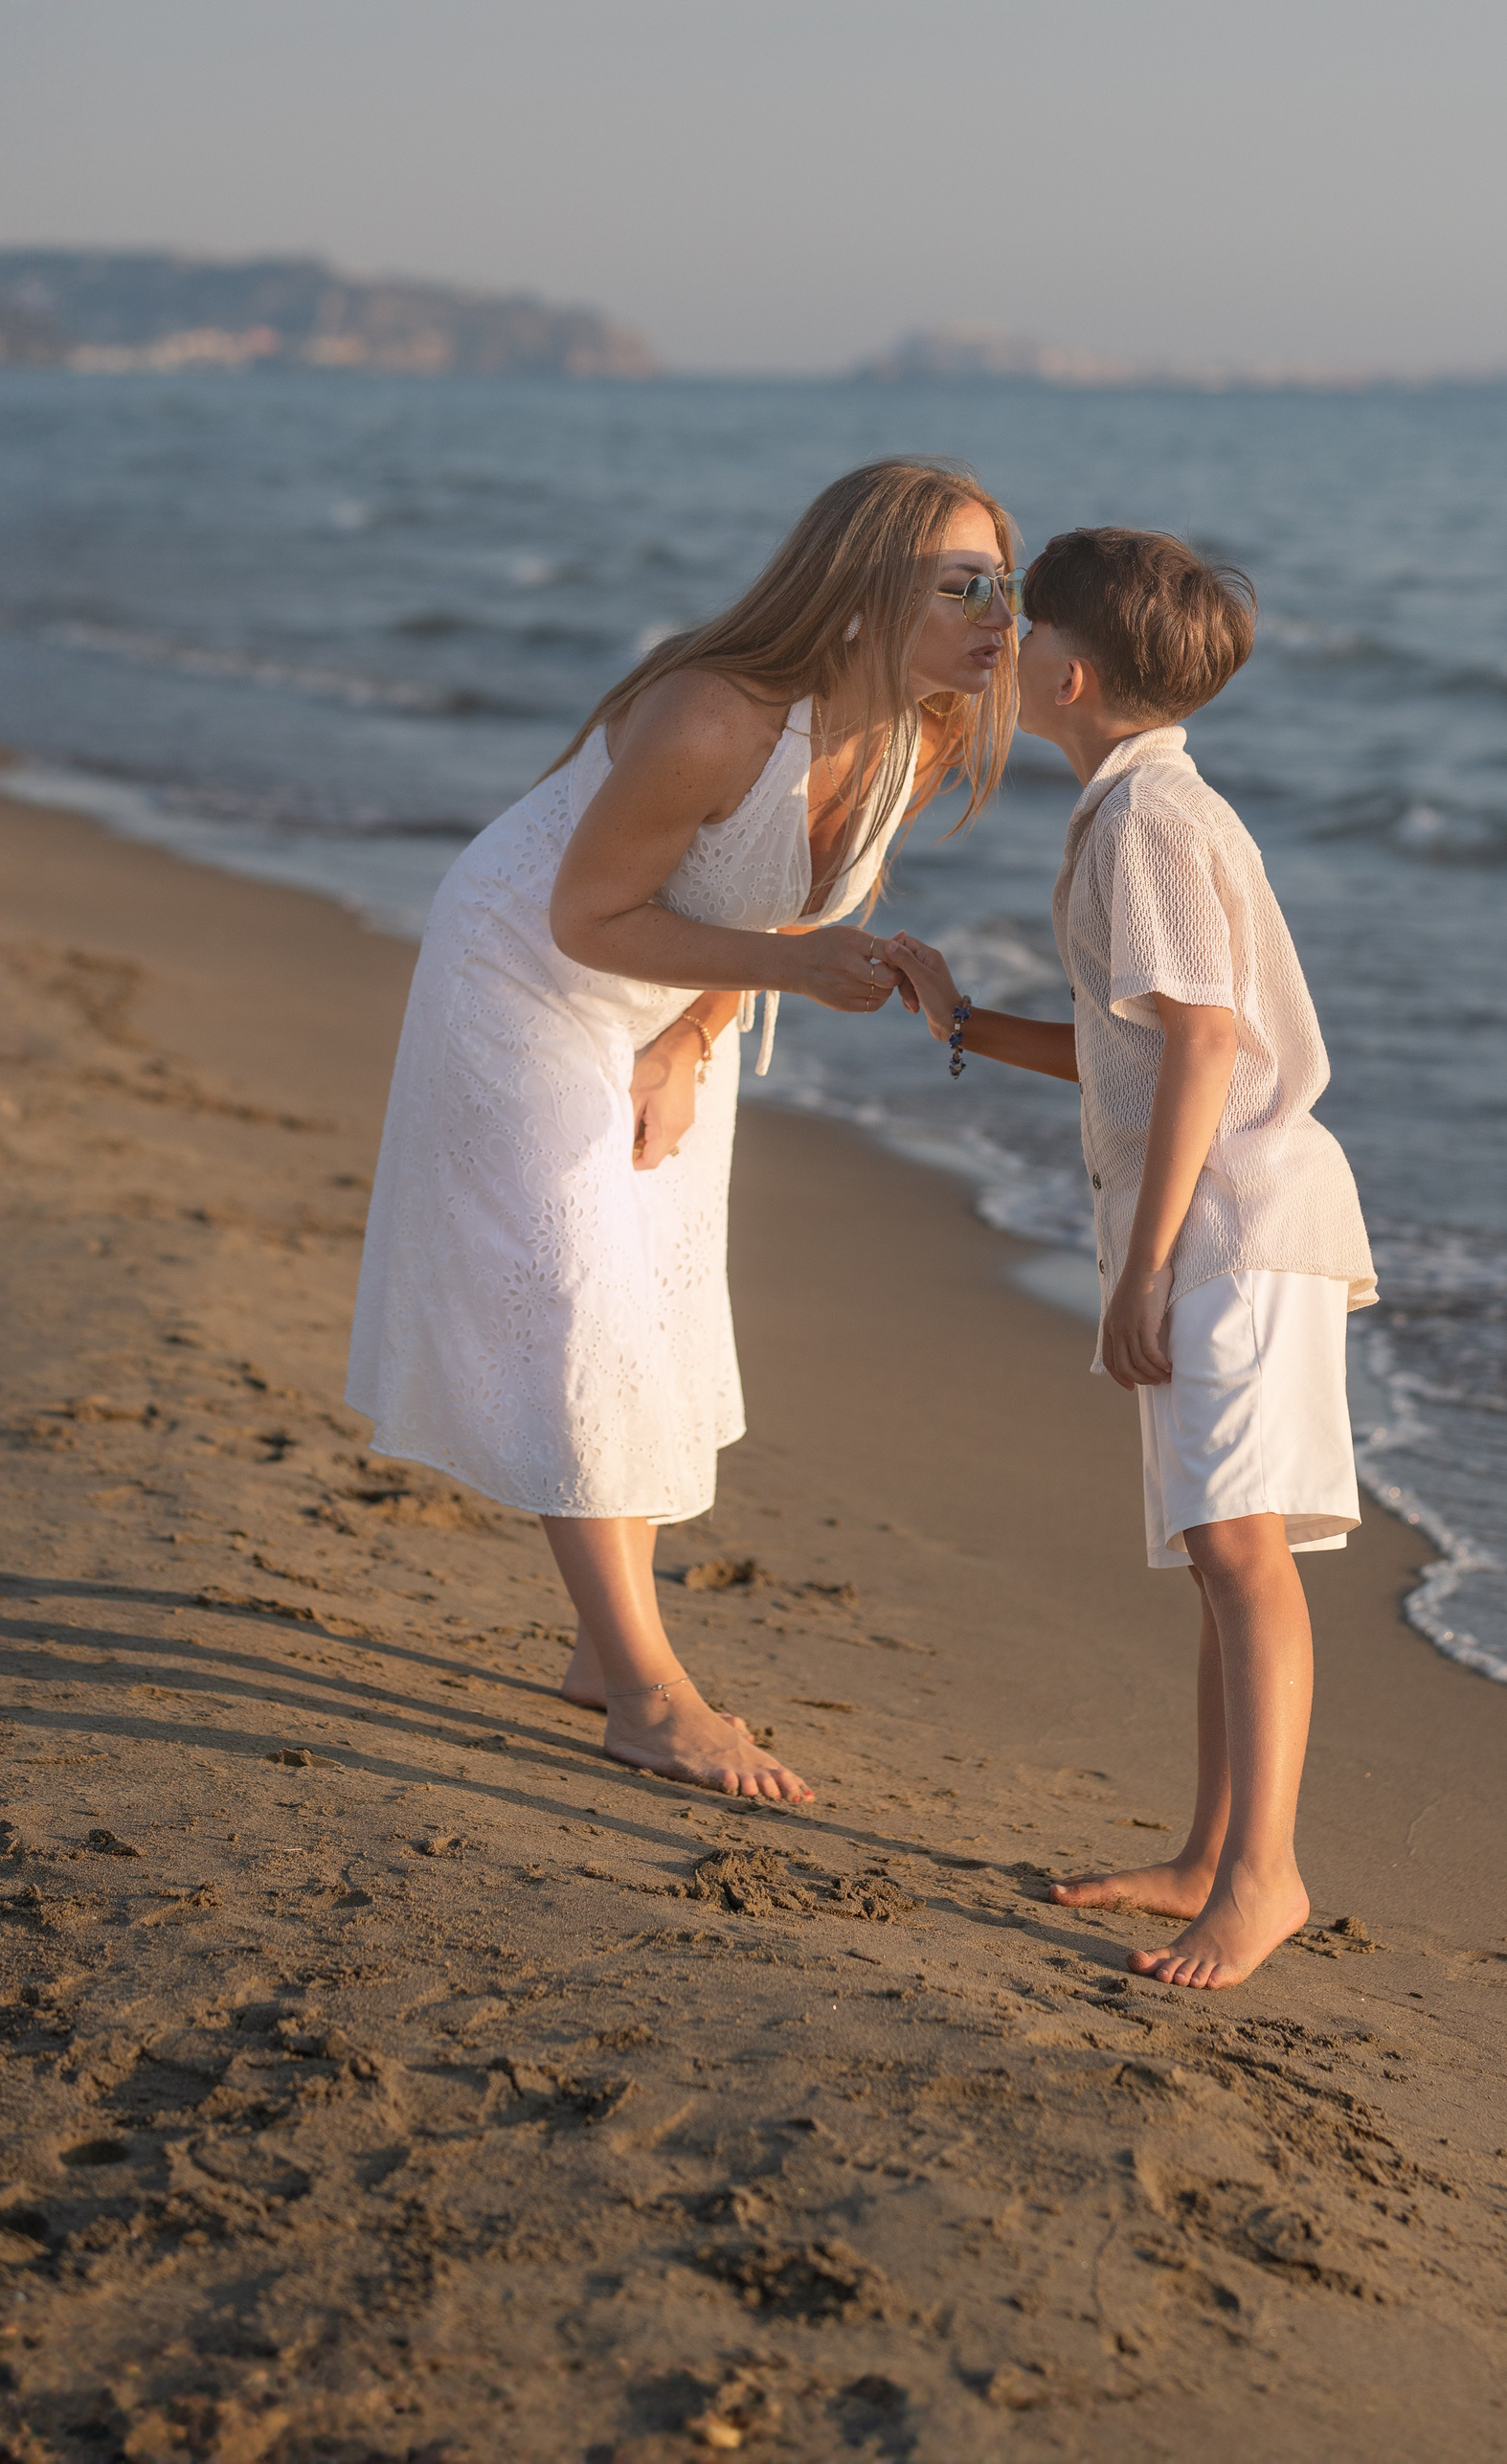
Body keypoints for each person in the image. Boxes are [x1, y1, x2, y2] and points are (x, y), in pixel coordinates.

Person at [347, 460, 1021, 1798]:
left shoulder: (924, 725)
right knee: (577, 1297)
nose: (1001, 610)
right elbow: (586, 916)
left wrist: (694, 1037)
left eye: (1012, 582)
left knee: (646, 1302)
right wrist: (782, 977)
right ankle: (649, 1694)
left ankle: (606, 1647)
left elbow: (774, 912)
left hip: (669, 989)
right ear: (864, 584)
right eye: (967, 584)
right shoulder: (715, 714)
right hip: (527, 968)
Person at [888, 528, 1376, 1987]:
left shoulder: (1150, 822)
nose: (1005, 641)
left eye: (1021, 622)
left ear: (1072, 672)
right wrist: (963, 1023)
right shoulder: (1137, 806)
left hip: (1235, 1225)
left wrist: (1144, 1266)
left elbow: (1209, 1045)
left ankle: (1266, 1875)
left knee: (1242, 1551)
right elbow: (1132, 1051)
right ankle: (1211, 1852)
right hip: (1218, 1220)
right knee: (1227, 1554)